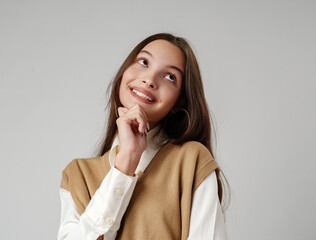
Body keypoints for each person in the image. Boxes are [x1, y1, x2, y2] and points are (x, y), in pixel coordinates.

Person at [58, 33, 228, 240]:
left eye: (170, 76)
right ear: (124, 72)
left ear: (179, 102)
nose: (149, 80)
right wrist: (126, 161)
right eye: (144, 62)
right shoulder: (77, 175)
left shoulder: (192, 161)